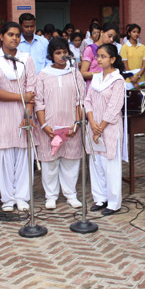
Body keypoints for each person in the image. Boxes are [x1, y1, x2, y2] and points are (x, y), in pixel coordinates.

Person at [0, 22, 37, 212]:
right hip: (0, 114)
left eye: (17, 35)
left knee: (23, 156)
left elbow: (31, 89)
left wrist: (28, 113)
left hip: (23, 114)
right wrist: (21, 97)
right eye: (10, 34)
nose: (15, 38)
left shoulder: (26, 59)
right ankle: (7, 198)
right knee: (4, 156)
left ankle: (22, 197)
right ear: (1, 36)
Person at [35, 37, 85, 209]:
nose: (62, 56)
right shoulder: (43, 75)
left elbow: (80, 100)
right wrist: (44, 125)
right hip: (49, 126)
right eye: (58, 53)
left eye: (65, 52)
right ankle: (51, 196)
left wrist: (77, 123)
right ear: (51, 55)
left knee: (71, 161)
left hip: (71, 125)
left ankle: (71, 194)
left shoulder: (75, 74)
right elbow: (39, 102)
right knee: (50, 162)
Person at [85, 44, 126, 216]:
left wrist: (100, 128)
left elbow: (114, 107)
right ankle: (100, 198)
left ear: (113, 59)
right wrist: (92, 122)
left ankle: (113, 202)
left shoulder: (118, 80)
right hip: (94, 125)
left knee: (110, 164)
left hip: (109, 128)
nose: (99, 59)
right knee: (96, 163)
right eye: (98, 56)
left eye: (103, 56)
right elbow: (87, 101)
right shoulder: (96, 78)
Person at [81, 23, 119, 90]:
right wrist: (95, 74)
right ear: (102, 32)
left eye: (113, 38)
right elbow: (82, 73)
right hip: (93, 88)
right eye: (109, 36)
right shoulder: (90, 49)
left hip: (108, 87)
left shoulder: (112, 51)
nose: (111, 40)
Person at [120, 24, 145, 89]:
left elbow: (144, 65)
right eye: (134, 32)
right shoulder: (124, 47)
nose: (136, 34)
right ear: (129, 33)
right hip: (129, 81)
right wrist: (134, 81)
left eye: (138, 32)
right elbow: (125, 66)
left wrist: (138, 77)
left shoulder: (142, 47)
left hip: (141, 80)